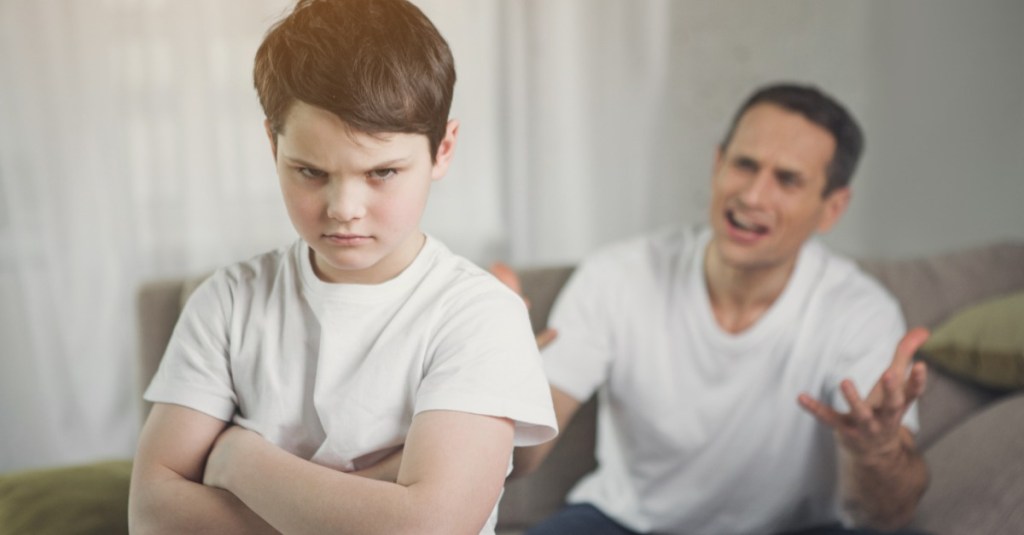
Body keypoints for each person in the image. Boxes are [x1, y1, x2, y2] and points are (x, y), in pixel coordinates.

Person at [127, 1, 557, 533]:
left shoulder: (478, 315)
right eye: (310, 171)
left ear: (442, 149)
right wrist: (373, 497)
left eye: (382, 173)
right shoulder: (228, 301)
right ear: (272, 143)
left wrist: (240, 459)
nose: (343, 208)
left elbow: (429, 528)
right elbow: (152, 514)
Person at [507, 83, 930, 535]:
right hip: (623, 524)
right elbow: (522, 458)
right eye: (744, 165)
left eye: (786, 179)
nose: (752, 196)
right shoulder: (617, 275)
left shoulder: (859, 311)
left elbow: (891, 515)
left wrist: (878, 452)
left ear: (832, 207)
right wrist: (497, 392)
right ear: (717, 165)